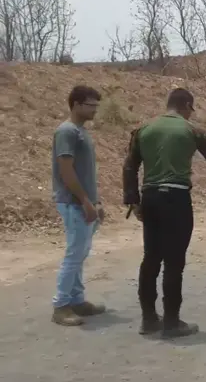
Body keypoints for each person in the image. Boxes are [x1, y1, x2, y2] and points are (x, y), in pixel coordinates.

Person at [122, 87, 206, 338]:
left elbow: (129, 166)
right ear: (187, 106)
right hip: (177, 198)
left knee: (151, 258)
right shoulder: (193, 131)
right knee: (174, 261)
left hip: (150, 198)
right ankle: (172, 321)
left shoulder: (144, 129)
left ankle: (149, 319)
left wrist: (133, 200)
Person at [51, 85, 107, 326]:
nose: (95, 110)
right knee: (74, 254)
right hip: (73, 203)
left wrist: (95, 201)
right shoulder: (67, 132)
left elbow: (85, 173)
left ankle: (76, 299)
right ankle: (61, 305)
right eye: (91, 105)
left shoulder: (80, 131)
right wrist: (84, 201)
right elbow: (66, 171)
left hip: (84, 203)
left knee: (80, 253)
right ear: (76, 105)